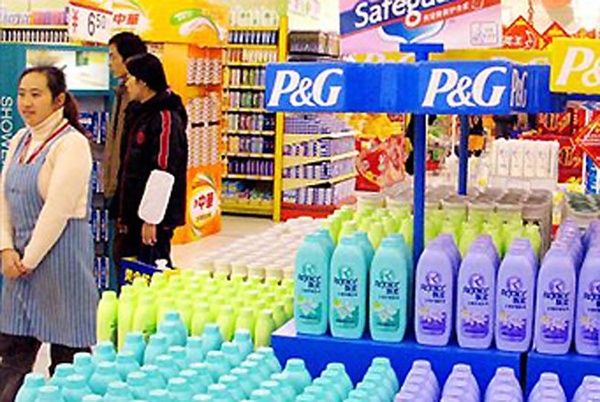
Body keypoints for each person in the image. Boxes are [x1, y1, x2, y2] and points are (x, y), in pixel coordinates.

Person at [0, 66, 98, 401]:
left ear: (58, 100)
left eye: (36, 94)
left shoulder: (72, 145)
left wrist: (27, 260)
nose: (26, 102)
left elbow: (57, 209)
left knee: (69, 357)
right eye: (22, 94)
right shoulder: (19, 140)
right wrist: (5, 250)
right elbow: (3, 197)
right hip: (19, 262)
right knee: (12, 351)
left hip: (61, 261)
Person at [111, 53, 188, 269]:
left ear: (143, 82)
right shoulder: (137, 112)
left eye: (130, 78)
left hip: (153, 220)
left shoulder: (165, 118)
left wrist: (151, 219)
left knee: (152, 270)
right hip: (133, 213)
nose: (126, 84)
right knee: (128, 268)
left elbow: (163, 169)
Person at [105, 32, 147, 286]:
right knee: (121, 257)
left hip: (134, 200)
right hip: (121, 193)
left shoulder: (142, 103)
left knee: (134, 262)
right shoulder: (121, 93)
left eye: (113, 56)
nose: (109, 63)